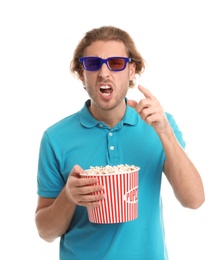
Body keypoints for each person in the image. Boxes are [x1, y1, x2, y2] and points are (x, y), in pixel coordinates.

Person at [35, 25, 205, 259]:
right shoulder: (55, 138)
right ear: (81, 73)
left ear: (131, 70)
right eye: (93, 64)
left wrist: (165, 132)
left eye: (115, 63)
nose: (104, 73)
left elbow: (194, 200)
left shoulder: (160, 125)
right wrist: (69, 196)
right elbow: (45, 232)